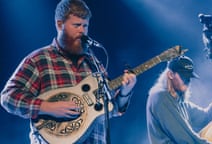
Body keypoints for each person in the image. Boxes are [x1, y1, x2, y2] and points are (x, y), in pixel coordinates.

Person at [0, 0, 136, 144]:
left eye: (85, 26)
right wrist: (47, 107)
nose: (82, 31)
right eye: (76, 25)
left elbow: (110, 110)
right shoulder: (39, 60)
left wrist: (125, 92)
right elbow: (8, 97)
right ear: (60, 24)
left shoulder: (94, 64)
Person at [146, 55, 212, 144]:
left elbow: (205, 117)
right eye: (183, 76)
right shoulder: (161, 97)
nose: (187, 81)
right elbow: (187, 140)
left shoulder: (179, 101)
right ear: (170, 74)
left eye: (189, 77)